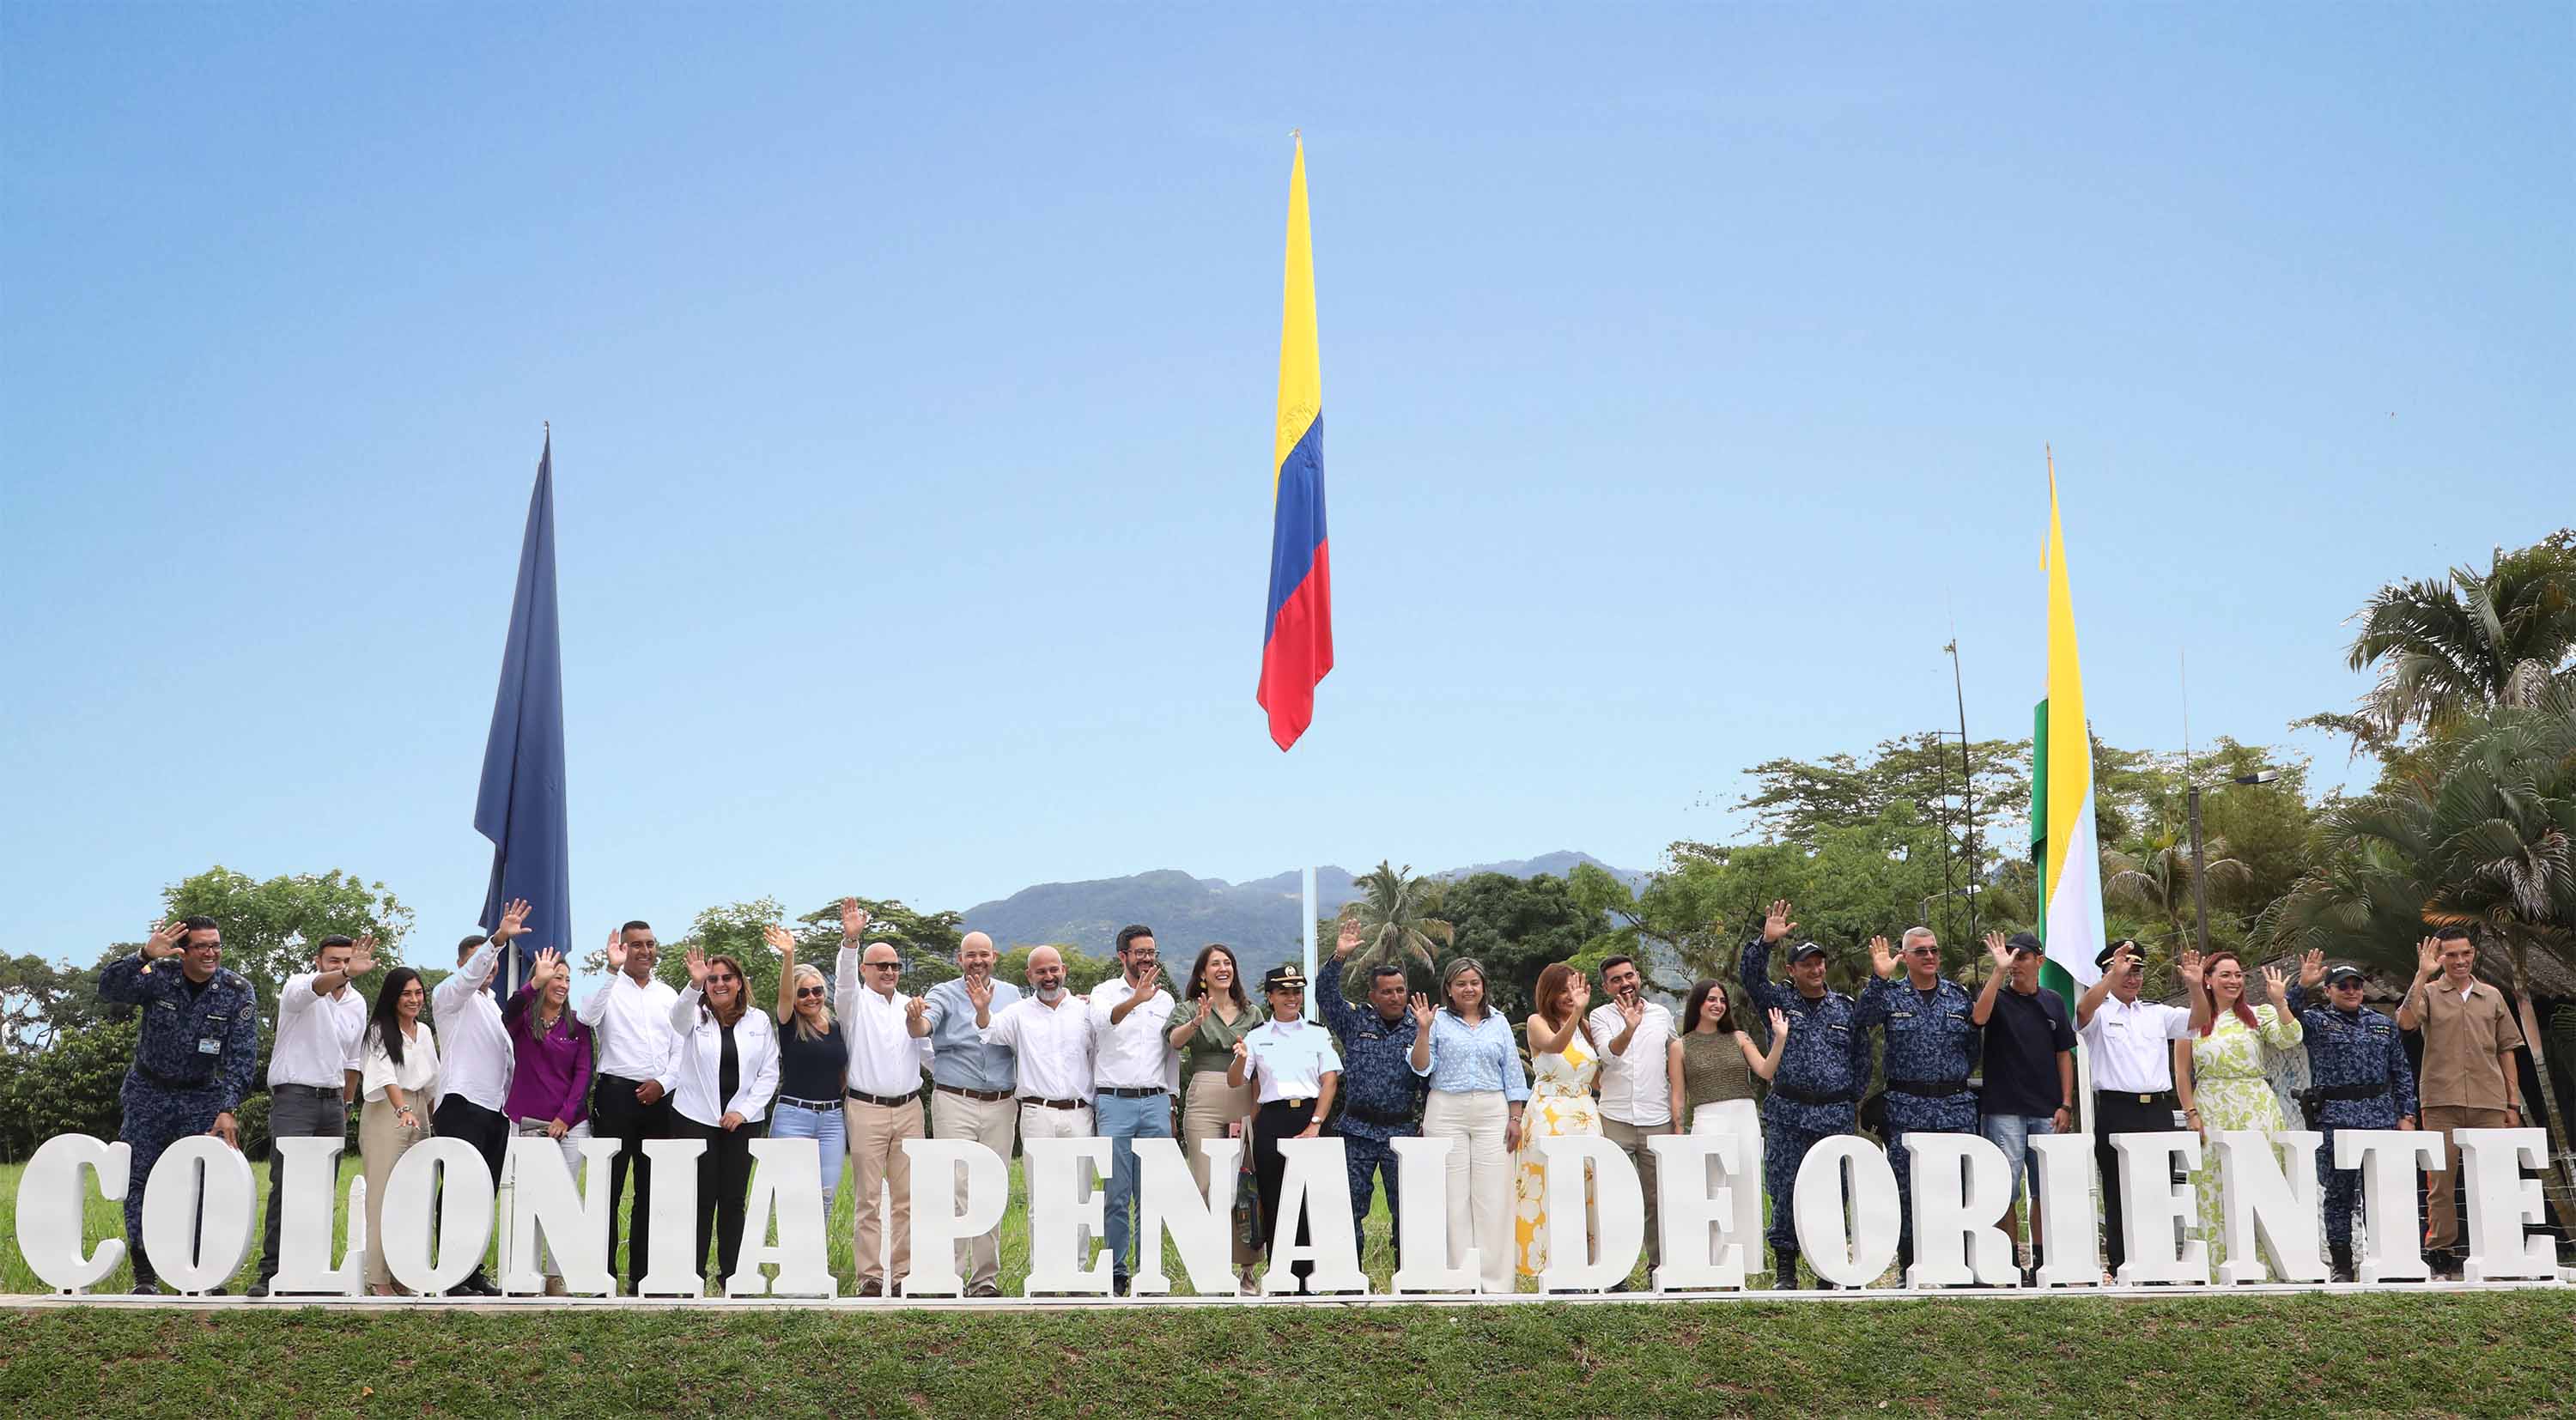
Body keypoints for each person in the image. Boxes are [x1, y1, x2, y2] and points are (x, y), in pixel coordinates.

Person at [100, 915, 259, 1295]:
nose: (211, 953)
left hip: (202, 1097)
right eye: (202, 946)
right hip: (148, 1093)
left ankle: (201, 1272)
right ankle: (145, 1275)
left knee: (204, 1181)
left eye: (216, 945)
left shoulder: (237, 991)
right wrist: (141, 955)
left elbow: (241, 1057)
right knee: (140, 1179)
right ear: (183, 951)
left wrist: (228, 1107)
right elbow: (110, 989)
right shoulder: (159, 973)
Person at [1737, 901, 1865, 1288]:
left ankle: (1828, 1268)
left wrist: (1851, 1097)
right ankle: (1786, 1268)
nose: (1816, 969)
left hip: (1834, 1113)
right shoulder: (1779, 1002)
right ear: (1791, 970)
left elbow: (1861, 1058)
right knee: (1784, 1186)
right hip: (1789, 1111)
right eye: (1807, 964)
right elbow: (1750, 977)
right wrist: (1765, 941)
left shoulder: (1845, 1008)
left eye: (1820, 962)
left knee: (1834, 1189)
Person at [2395, 925, 2525, 1277]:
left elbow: (2506, 1049)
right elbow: (2405, 1022)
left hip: (2489, 1100)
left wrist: (2513, 1103)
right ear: (2440, 958)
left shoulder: (2493, 996)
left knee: (2494, 1177)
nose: (2459, 961)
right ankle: (2441, 1251)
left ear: (2473, 954)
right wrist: (2422, 974)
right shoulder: (2431, 993)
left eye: (2465, 953)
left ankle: (2498, 1250)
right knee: (2441, 1180)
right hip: (2441, 1099)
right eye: (2450, 955)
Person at [251, 930, 374, 1297]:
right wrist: (347, 973)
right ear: (318, 961)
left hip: (333, 1102)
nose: (341, 966)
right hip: (295, 1098)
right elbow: (316, 988)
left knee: (323, 1187)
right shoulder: (299, 987)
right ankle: (271, 1272)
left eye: (347, 960)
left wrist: (347, 1102)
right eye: (334, 961)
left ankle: (310, 1273)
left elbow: (352, 1059)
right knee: (286, 1184)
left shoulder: (357, 1003)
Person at [1853, 926, 1980, 1278]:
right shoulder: (1891, 996)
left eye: (1934, 951)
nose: (1929, 957)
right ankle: (1910, 1265)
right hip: (1906, 1106)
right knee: (1906, 1191)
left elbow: (1973, 1049)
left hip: (1954, 1106)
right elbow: (1861, 1020)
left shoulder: (1958, 996)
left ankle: (1956, 1266)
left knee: (1956, 1187)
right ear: (1904, 957)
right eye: (1920, 951)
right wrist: (1879, 979)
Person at [2283, 950, 2418, 1281]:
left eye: (2356, 985)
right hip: (2336, 1118)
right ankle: (2342, 1263)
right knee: (2339, 1194)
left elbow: (2401, 1072)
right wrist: (2302, 984)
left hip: (2379, 1116)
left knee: (2382, 1193)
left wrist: (2407, 1115)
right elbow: (2287, 1011)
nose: (2351, 991)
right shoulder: (2317, 1021)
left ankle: (2386, 1259)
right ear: (2328, 990)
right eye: (2342, 986)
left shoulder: (2383, 1026)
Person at [2074, 939, 2203, 1279]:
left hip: (2157, 1111)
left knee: (2159, 1189)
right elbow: (2081, 1013)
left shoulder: (2156, 1013)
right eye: (2125, 971)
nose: (2133, 978)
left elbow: (2199, 1020)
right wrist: (2108, 979)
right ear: (2107, 972)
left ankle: (2158, 1262)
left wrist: (2195, 987)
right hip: (2118, 1109)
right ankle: (2120, 1265)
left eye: (2137, 972)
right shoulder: (2099, 1015)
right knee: (2118, 1190)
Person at [2173, 950, 2303, 1270]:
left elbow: (2292, 1038)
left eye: (2239, 975)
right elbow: (2181, 1072)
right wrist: (2191, 1113)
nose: (2234, 981)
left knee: (2263, 1181)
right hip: (2212, 1106)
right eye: (2226, 975)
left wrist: (2280, 1002)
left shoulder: (2258, 1014)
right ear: (2208, 980)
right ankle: (2218, 1265)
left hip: (2256, 1105)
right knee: (2215, 1183)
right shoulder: (2191, 1018)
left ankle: (2268, 1264)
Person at [980, 945, 1099, 1286]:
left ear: (1064, 970)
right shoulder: (1017, 1013)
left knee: (1080, 1197)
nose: (1049, 977)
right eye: (1040, 972)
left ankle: (1077, 1276)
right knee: (1040, 1199)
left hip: (1079, 1113)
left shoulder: (1085, 1012)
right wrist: (982, 1010)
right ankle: (1042, 1275)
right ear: (1029, 976)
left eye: (1054, 970)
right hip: (1036, 1112)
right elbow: (989, 1030)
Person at [1408, 957, 1529, 1293]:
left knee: (1494, 1196)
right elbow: (1421, 1067)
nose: (1468, 989)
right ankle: (1459, 1281)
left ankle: (1495, 1283)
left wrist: (1515, 1116)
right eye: (1460, 983)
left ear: (1483, 986)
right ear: (1449, 988)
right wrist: (1422, 1030)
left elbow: (1513, 1072)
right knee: (1452, 1197)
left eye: (1474, 982)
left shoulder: (1500, 1022)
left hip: (1492, 1109)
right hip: (1446, 1107)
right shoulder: (1437, 1021)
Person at [428, 900, 529, 1297]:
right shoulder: (450, 997)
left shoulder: (491, 1006)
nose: (487, 967)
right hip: (461, 1104)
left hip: (493, 1110)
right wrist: (499, 939)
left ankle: (471, 1271)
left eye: (492, 962)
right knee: (457, 1189)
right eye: (478, 961)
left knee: (482, 1193)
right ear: (461, 964)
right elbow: (469, 977)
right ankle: (450, 1273)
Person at [578, 918, 681, 1295]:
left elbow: (680, 1049)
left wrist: (664, 1084)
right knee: (609, 1185)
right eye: (636, 944)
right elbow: (586, 1017)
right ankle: (601, 1278)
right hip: (616, 1096)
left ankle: (643, 1277)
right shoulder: (609, 988)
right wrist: (611, 969)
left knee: (651, 1190)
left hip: (659, 1098)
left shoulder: (669, 995)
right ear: (623, 948)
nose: (644, 951)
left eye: (650, 944)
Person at [836, 901, 933, 1297]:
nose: (890, 971)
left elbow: (929, 1054)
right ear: (866, 970)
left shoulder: (912, 1005)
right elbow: (842, 983)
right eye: (881, 966)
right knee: (869, 1199)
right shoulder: (854, 1003)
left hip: (910, 1108)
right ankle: (871, 1277)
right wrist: (851, 940)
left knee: (909, 1198)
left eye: (894, 966)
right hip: (866, 1108)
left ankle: (905, 1274)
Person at [668, 947, 780, 1289]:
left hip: (742, 1123)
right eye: (712, 979)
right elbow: (676, 1019)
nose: (719, 984)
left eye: (726, 978)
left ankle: (733, 1275)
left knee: (733, 1200)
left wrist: (742, 1111)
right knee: (698, 1199)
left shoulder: (758, 1020)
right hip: (695, 1118)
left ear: (739, 983)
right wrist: (693, 983)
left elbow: (768, 1073)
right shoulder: (694, 1017)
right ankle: (692, 1276)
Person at [1969, 931, 2076, 1283]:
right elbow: (1978, 1018)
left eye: (2023, 957)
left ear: (2039, 961)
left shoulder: (2053, 1002)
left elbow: (2064, 1054)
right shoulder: (1998, 998)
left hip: (2047, 1109)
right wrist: (1997, 973)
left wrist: (2066, 1102)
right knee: (2005, 1189)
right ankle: (2010, 1263)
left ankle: (2043, 1262)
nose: (2016, 963)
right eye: (2011, 956)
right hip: (2005, 1110)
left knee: (2044, 1189)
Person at [1316, 919, 1425, 1267]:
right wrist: (1339, 957)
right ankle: (1349, 1277)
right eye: (1387, 992)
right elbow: (1325, 996)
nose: (1395, 997)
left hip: (1402, 1131)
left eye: (1400, 990)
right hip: (1357, 1131)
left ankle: (1408, 1282)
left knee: (1407, 1209)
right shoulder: (1356, 1022)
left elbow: (1430, 1080)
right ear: (1372, 996)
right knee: (1350, 1207)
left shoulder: (1421, 1027)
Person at [1228, 963, 1343, 1291]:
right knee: (1275, 1198)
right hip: (1273, 1119)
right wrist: (1239, 1056)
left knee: (1311, 1199)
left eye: (1296, 992)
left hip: (1310, 1115)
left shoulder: (1316, 1033)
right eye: (1284, 992)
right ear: (1270, 997)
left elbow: (1330, 1080)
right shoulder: (1257, 1037)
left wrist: (1316, 1124)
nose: (1292, 998)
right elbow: (1237, 1080)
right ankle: (1283, 1277)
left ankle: (1311, 1278)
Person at [918, 929, 1019, 1298]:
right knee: (957, 1188)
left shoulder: (1012, 994)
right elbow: (923, 1025)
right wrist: (915, 1020)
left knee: (992, 1188)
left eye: (984, 954)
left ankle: (985, 1280)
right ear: (959, 960)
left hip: (1001, 1102)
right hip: (955, 1100)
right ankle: (952, 1276)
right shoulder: (943, 993)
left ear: (994, 957)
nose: (977, 961)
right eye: (969, 955)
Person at [1166, 942, 1266, 1288]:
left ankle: (1248, 1271)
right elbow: (1175, 1042)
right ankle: (1210, 1264)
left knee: (1244, 1184)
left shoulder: (1253, 1013)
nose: (1223, 968)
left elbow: (1263, 1062)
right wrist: (1197, 1021)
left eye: (1228, 963)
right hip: (1205, 1094)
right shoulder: (1188, 1009)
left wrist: (1256, 1108)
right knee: (1207, 1182)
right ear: (1202, 974)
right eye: (1215, 964)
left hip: (1243, 1094)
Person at [1087, 923, 1176, 1296]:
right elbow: (1103, 1023)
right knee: (1116, 1194)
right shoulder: (1103, 992)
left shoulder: (1167, 1000)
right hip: (1114, 1102)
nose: (1147, 958)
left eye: (1151, 952)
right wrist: (1135, 1000)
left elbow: (1170, 1053)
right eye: (1140, 952)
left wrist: (1171, 1099)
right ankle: (1116, 1270)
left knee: (1152, 1193)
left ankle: (1149, 1271)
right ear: (1122, 955)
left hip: (1155, 1101)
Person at [1674, 978, 1786, 1276]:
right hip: (1707, 1120)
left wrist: (1780, 1039)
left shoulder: (1739, 1038)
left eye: (1722, 1000)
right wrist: (1676, 1139)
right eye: (1711, 999)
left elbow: (1765, 1070)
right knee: (1712, 1192)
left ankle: (1747, 1265)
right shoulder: (1680, 1046)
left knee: (1745, 1187)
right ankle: (1712, 1264)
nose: (1718, 1005)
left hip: (1743, 1117)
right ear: (1698, 1002)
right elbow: (1678, 1098)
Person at [503, 945, 594, 1295]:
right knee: (532, 1196)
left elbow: (584, 1072)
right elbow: (507, 1013)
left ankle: (558, 1275)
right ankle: (527, 1272)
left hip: (570, 1124)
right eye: (557, 977)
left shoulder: (578, 1025)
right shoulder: (523, 1020)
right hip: (529, 1122)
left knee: (564, 1198)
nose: (563, 984)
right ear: (541, 980)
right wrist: (531, 986)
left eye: (568, 979)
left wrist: (564, 1117)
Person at [1585, 953, 1679, 1285]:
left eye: (1629, 976)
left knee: (1658, 1198)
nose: (1624, 983)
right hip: (1615, 1117)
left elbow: (1676, 1058)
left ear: (1638, 977)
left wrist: (1679, 1115)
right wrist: (1629, 1027)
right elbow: (1608, 1055)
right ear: (1605, 986)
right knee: (1615, 1197)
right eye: (1616, 979)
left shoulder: (1662, 1014)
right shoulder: (1600, 1016)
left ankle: (1659, 1269)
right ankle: (1614, 1272)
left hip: (1657, 1117)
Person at [1512, 961, 1604, 1283]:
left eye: (1575, 989)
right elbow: (1556, 1046)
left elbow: (1597, 1075)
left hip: (1584, 1109)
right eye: (1563, 990)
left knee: (1585, 1186)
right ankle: (1550, 1266)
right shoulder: (1537, 1022)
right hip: (1549, 1112)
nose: (1570, 996)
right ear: (1548, 993)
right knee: (1552, 1186)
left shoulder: (1587, 1026)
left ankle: (1588, 1263)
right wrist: (1577, 1014)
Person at [357, 968, 437, 1296]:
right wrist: (403, 1109)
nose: (414, 1000)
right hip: (387, 1112)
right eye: (407, 994)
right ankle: (378, 1278)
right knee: (382, 1196)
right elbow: (384, 1076)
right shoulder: (378, 1031)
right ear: (393, 996)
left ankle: (402, 1272)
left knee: (413, 1197)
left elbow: (432, 1082)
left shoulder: (426, 1032)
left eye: (418, 993)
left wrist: (431, 1120)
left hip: (420, 1108)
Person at [762, 924, 848, 1229]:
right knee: (791, 1195)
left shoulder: (838, 1027)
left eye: (817, 990)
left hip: (832, 1121)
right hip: (793, 1116)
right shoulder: (789, 1025)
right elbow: (784, 996)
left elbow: (842, 1074)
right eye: (803, 993)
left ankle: (813, 1267)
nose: (811, 997)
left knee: (825, 1195)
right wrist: (789, 956)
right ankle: (790, 1266)